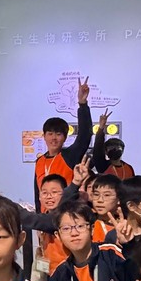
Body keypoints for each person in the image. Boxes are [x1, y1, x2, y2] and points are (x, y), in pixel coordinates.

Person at [34, 76, 92, 208]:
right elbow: (37, 194)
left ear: (65, 137)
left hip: (66, 214)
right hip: (45, 216)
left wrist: (82, 104)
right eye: (50, 134)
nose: (54, 138)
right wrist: (38, 216)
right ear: (44, 136)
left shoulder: (69, 156)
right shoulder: (39, 161)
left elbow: (84, 136)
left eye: (58, 134)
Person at [92, 110, 134, 179]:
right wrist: (101, 128)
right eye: (111, 148)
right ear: (105, 152)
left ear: (122, 151)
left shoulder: (129, 168)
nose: (114, 149)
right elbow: (98, 149)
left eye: (117, 147)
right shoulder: (103, 166)